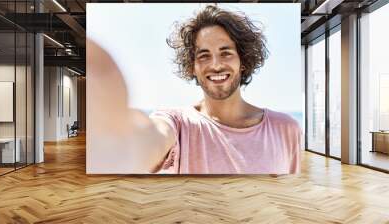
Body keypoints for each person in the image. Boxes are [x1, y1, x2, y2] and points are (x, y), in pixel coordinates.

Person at [87, 5, 301, 174]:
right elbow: (153, 138)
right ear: (192, 67)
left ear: (243, 61)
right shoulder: (178, 123)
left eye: (225, 53)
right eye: (204, 55)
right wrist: (123, 144)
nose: (215, 65)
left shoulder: (286, 129)